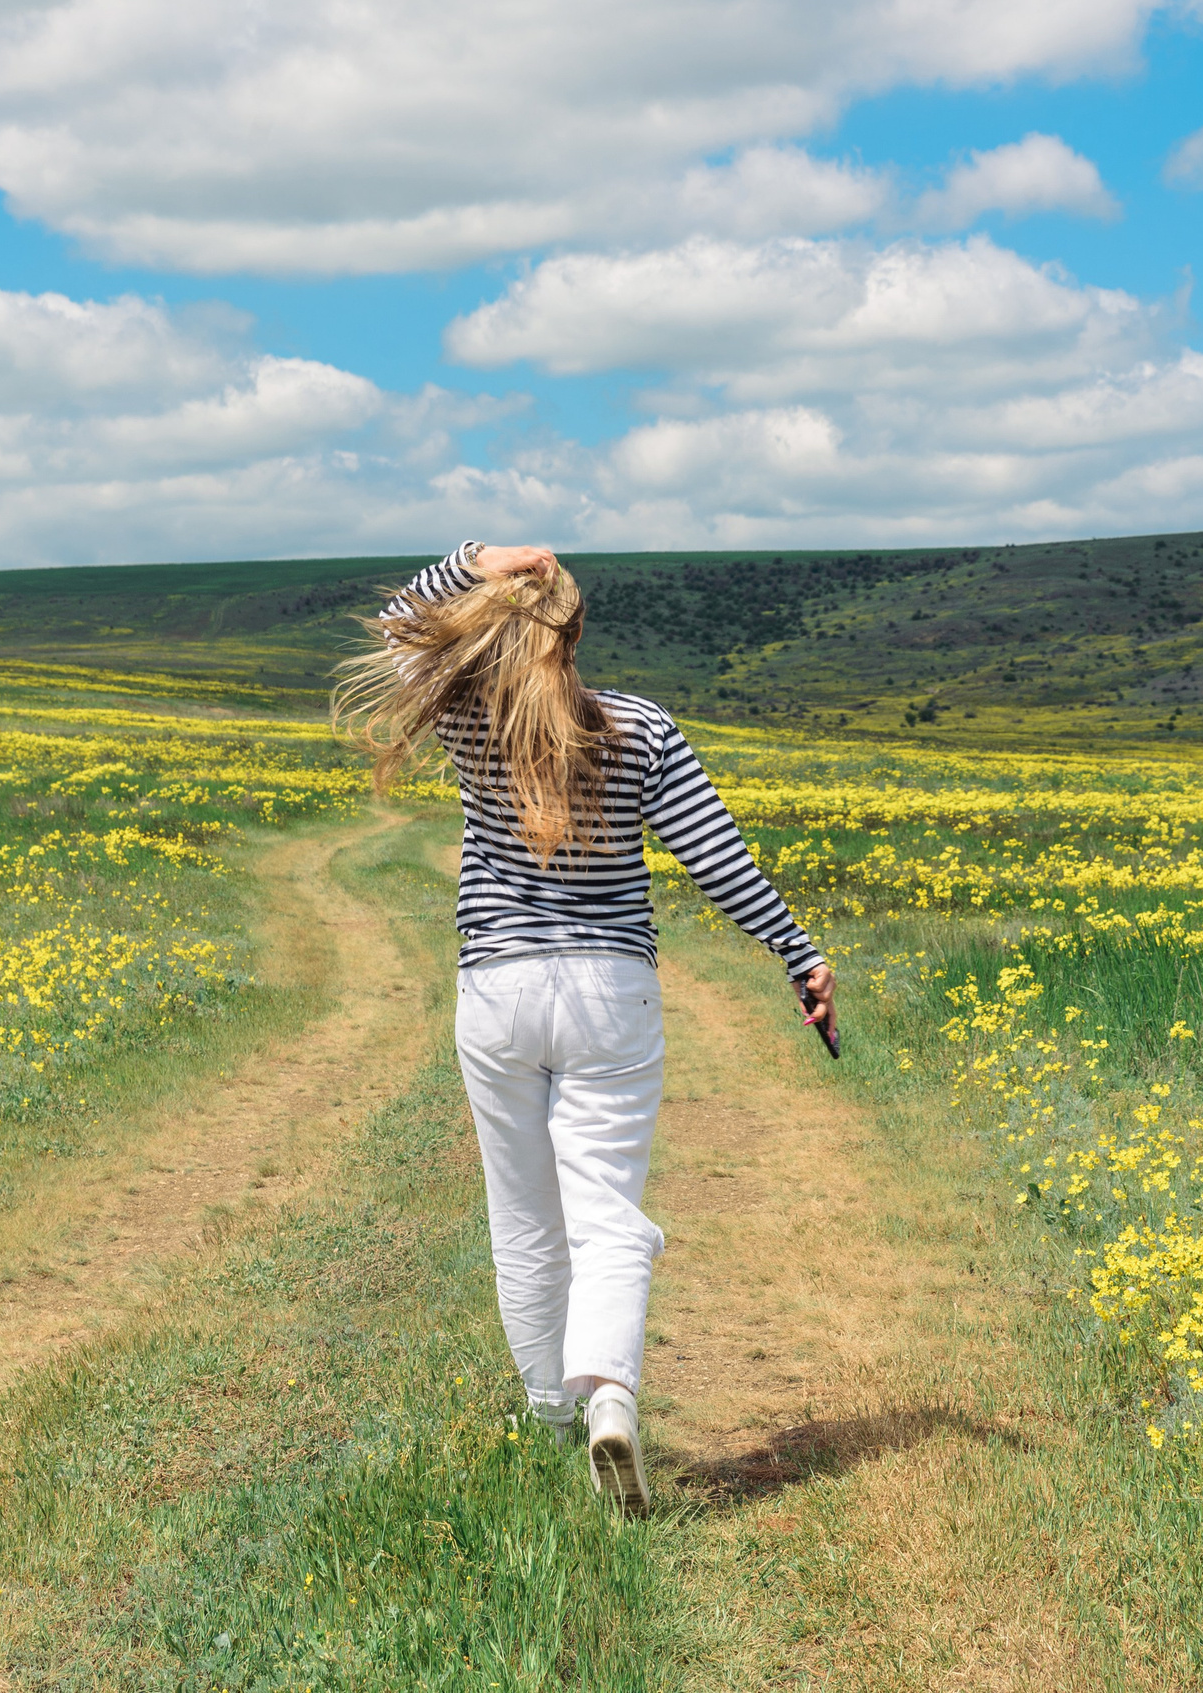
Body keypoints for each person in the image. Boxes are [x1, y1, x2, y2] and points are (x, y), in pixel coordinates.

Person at [334, 539, 837, 1517]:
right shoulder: (639, 726)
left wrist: (469, 559)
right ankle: (609, 1391)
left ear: (497, 625)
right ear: (575, 627)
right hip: (611, 989)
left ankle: (547, 1425)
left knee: (523, 1219)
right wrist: (796, 951)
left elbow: (402, 627)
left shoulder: (465, 716)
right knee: (606, 1209)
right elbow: (717, 858)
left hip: (497, 987)